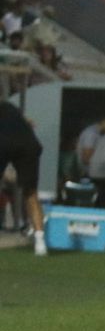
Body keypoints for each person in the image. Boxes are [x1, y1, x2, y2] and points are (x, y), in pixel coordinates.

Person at [0, 100, 48, 255]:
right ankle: (40, 243)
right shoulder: (11, 108)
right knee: (31, 193)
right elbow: (28, 122)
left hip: (5, 143)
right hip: (29, 145)